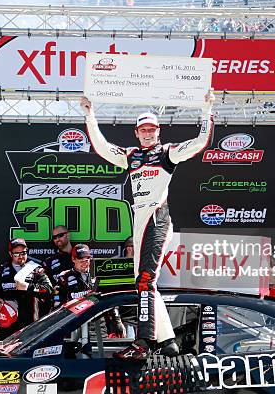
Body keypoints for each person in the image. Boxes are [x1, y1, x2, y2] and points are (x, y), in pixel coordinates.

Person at [81, 89, 215, 360]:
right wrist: (89, 114)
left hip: (157, 218)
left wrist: (207, 109)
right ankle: (168, 342)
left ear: (159, 131)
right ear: (136, 132)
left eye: (152, 129)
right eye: (143, 129)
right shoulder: (130, 156)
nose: (148, 133)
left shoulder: (167, 153)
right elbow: (102, 146)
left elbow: (201, 142)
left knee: (145, 281)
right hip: (138, 221)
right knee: (144, 283)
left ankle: (143, 341)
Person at [54, 244, 126, 339]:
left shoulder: (99, 276)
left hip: (97, 324)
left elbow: (110, 299)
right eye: (81, 260)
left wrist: (117, 321)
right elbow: (58, 304)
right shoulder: (64, 277)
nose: (85, 263)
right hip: (74, 323)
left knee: (98, 351)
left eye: (87, 260)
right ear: (73, 259)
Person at [0, 238, 53, 340]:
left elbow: (49, 290)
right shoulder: (1, 270)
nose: (20, 256)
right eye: (16, 253)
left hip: (30, 323)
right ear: (10, 254)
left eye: (23, 253)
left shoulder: (36, 269)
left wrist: (28, 287)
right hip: (8, 323)